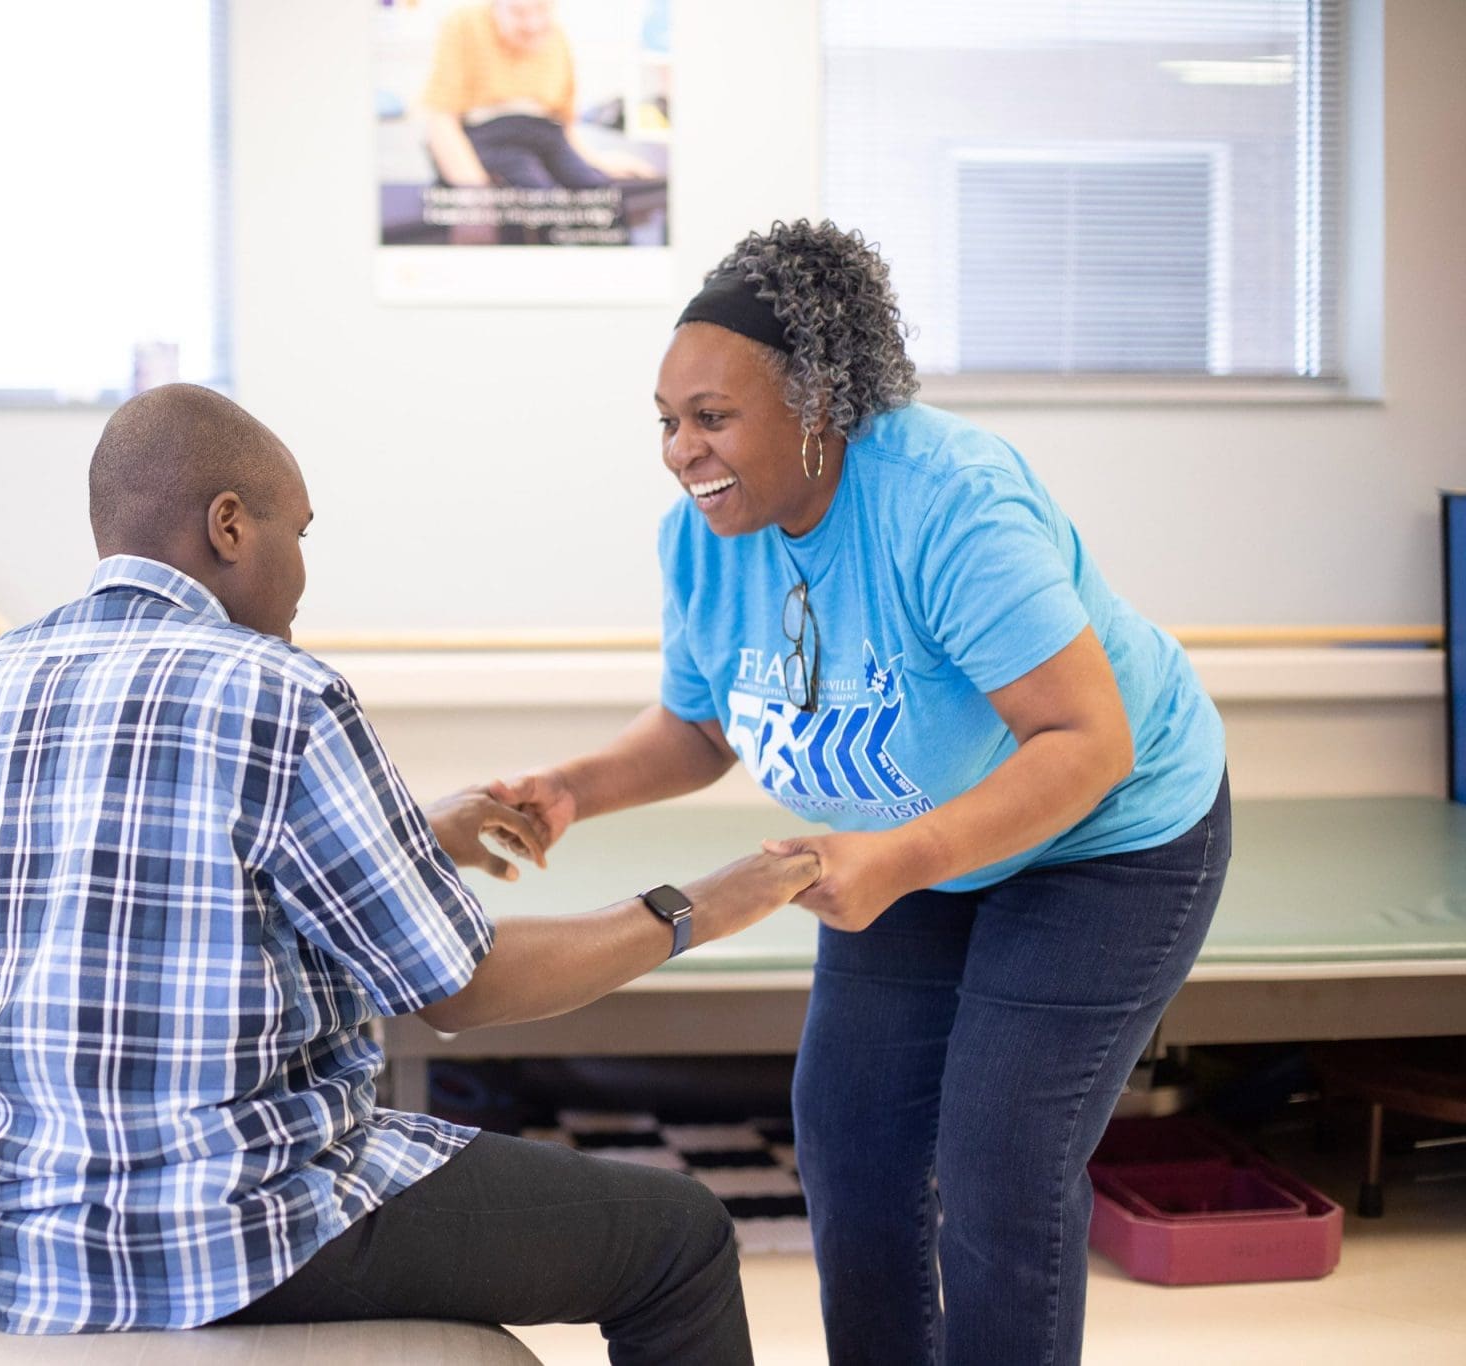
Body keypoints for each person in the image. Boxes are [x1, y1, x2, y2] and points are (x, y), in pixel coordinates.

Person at [0, 383, 819, 1364]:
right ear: (227, 525)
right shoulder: (278, 688)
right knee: (676, 1236)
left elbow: (132, 875)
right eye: (296, 534)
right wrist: (694, 908)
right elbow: (461, 990)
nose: (301, 576)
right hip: (209, 1230)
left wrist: (411, 832)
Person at [490, 220, 1230, 1366]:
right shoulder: (704, 541)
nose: (681, 449)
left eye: (712, 417)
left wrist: (891, 861)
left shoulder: (944, 503)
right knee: (849, 1139)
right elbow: (700, 727)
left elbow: (1087, 740)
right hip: (917, 844)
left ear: (818, 404)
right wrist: (572, 788)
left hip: (1107, 836)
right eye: (667, 420)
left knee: (998, 1156)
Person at [420, 0, 656, 189]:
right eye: (518, 12)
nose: (533, 24)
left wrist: (597, 162)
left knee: (597, 191)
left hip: (545, 135)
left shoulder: (557, 37)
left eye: (542, 8)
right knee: (535, 191)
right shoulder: (463, 24)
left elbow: (563, 122)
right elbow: (441, 120)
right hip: (490, 137)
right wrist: (473, 194)